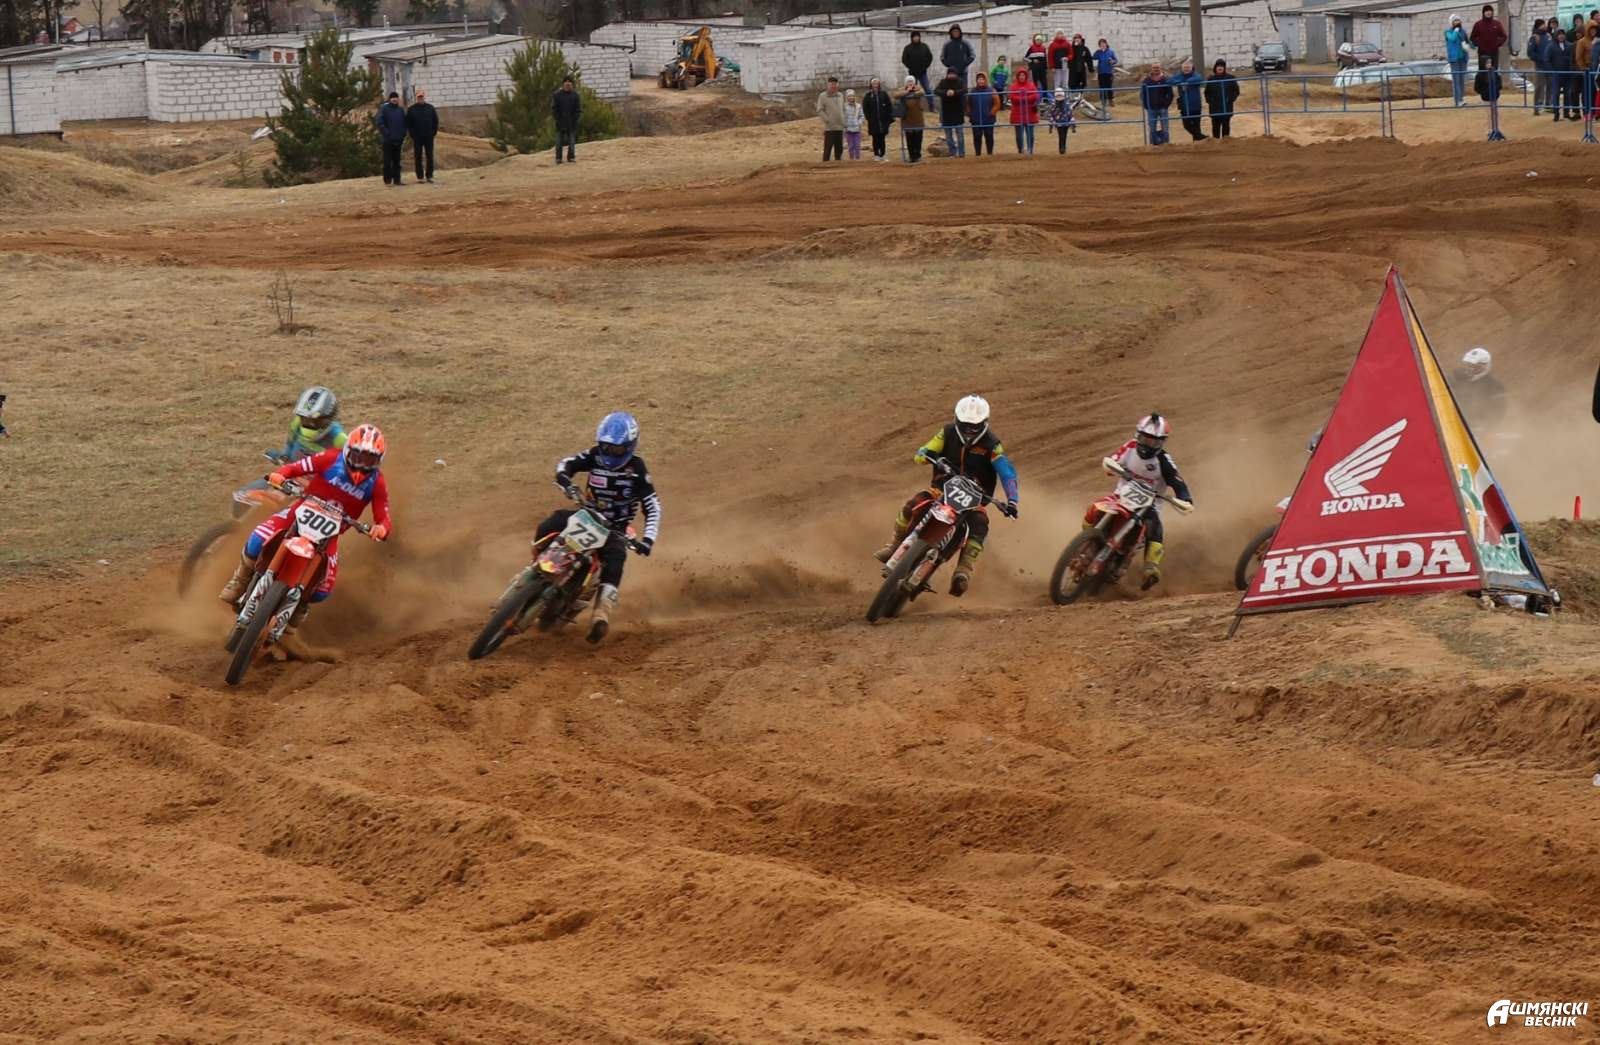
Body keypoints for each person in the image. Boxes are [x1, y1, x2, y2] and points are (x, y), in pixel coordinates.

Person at [217, 424, 392, 632]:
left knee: (323, 589)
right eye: (357, 456)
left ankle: (300, 604)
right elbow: (297, 467)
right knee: (257, 539)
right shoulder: (331, 458)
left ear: (378, 461)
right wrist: (280, 475)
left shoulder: (376, 483)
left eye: (369, 460)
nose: (361, 464)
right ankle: (239, 580)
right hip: (296, 515)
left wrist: (381, 528)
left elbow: (383, 515)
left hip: (329, 536)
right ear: (347, 451)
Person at [874, 395, 1019, 597]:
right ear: (957, 420)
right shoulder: (947, 433)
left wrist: (1012, 501)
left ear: (984, 423)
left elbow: (1007, 473)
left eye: (974, 426)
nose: (969, 430)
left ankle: (963, 571)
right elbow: (923, 452)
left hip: (974, 500)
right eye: (965, 425)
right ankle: (894, 544)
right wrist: (926, 455)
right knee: (913, 504)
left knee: (980, 524)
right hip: (941, 490)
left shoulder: (993, 445)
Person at [539, 412, 661, 643]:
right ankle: (534, 569)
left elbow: (652, 505)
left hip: (616, 529)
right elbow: (567, 464)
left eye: (615, 448)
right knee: (550, 524)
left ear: (629, 446)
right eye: (605, 446)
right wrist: (565, 479)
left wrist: (647, 540)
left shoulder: (637, 469)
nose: (609, 452)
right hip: (587, 515)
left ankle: (600, 615)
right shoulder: (594, 455)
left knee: (616, 559)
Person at [1093, 414, 1193, 590]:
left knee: (1155, 528)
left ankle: (1150, 568)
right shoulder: (1130, 447)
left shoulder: (1164, 461)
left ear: (1162, 443)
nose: (1148, 444)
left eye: (1154, 442)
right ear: (1137, 435)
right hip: (1121, 496)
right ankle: (1086, 540)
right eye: (1145, 439)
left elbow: (1178, 482)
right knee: (1095, 508)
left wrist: (1185, 498)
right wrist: (1112, 465)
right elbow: (1114, 460)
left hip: (1148, 505)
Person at [1452, 347, 1508, 431]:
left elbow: (1498, 412)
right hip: (1452, 422)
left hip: (1477, 428)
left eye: (1475, 367)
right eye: (1469, 365)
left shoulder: (1494, 386)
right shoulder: (1456, 379)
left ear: (1485, 367)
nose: (1471, 369)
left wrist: (1485, 428)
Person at [405, 89, 438, 184]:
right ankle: (420, 176)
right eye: (419, 97)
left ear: (424, 97)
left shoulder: (430, 108)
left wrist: (433, 132)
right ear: (416, 98)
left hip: (428, 136)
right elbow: (408, 123)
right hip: (417, 137)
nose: (420, 98)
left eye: (422, 97)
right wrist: (412, 134)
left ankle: (429, 176)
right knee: (418, 157)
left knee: (429, 156)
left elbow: (435, 121)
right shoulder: (411, 109)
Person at [376, 92, 407, 186]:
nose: (394, 99)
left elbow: (404, 123)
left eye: (396, 97)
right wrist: (387, 134)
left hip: (398, 139)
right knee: (387, 161)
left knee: (397, 161)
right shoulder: (384, 109)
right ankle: (388, 180)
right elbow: (380, 123)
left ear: (398, 99)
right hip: (388, 140)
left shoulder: (400, 110)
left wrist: (403, 134)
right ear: (390, 99)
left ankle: (397, 180)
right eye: (393, 98)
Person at [1546, 28, 1578, 119]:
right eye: (1559, 34)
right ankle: (1556, 113)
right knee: (1556, 94)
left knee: (1567, 94)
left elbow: (1573, 58)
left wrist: (1572, 70)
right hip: (1556, 75)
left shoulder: (1569, 45)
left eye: (1562, 34)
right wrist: (1552, 71)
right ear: (1556, 36)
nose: (1561, 36)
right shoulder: (1550, 46)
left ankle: (1566, 113)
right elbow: (1547, 60)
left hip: (1568, 74)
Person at [1204, 58, 1240, 138]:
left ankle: (1225, 142)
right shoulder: (1211, 79)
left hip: (1226, 107)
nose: (1220, 68)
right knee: (1215, 127)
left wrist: (1230, 99)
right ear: (1215, 68)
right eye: (1218, 66)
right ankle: (1216, 143)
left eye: (1222, 66)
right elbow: (1207, 92)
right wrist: (1210, 101)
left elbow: (1236, 91)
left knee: (1226, 127)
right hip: (1214, 108)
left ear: (1224, 68)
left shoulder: (1230, 78)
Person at [1172, 58, 1206, 140]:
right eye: (1184, 67)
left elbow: (1199, 78)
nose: (1186, 69)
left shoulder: (1195, 74)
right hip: (1184, 106)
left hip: (1195, 105)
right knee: (1186, 125)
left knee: (1196, 126)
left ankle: (1197, 143)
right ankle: (1202, 137)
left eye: (1188, 67)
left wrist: (1187, 81)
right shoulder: (1179, 75)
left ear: (1192, 67)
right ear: (1181, 68)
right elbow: (1170, 81)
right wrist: (1181, 82)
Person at [862, 77, 895, 162]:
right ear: (871, 85)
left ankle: (883, 154)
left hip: (883, 121)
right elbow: (865, 108)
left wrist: (888, 117)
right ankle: (876, 154)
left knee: (882, 138)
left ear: (879, 84)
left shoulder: (884, 94)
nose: (875, 85)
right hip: (873, 121)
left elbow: (889, 106)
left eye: (876, 83)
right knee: (875, 138)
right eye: (873, 83)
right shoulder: (868, 95)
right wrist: (869, 118)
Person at [1008, 68, 1040, 154]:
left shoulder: (1031, 85)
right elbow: (1012, 98)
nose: (1022, 77)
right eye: (1020, 75)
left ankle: (1030, 149)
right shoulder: (1013, 86)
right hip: (1017, 114)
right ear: (1017, 76)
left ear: (1026, 76)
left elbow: (1035, 96)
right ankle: (1020, 150)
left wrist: (1023, 98)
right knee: (1019, 135)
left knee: (1030, 134)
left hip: (1030, 113)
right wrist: (1025, 98)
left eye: (1023, 75)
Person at [936, 67, 967, 157]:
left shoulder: (960, 81)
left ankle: (961, 153)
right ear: (947, 74)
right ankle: (952, 152)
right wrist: (946, 92)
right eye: (950, 73)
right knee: (948, 136)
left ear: (956, 74)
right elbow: (936, 91)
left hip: (958, 112)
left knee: (960, 135)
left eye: (953, 73)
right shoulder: (943, 82)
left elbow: (965, 90)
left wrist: (954, 92)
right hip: (946, 112)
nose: (951, 75)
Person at [1141, 63, 1174, 145]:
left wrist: (1166, 105)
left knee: (1165, 128)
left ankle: (1166, 144)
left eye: (1157, 67)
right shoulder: (1147, 80)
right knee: (1152, 128)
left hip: (1163, 108)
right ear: (1151, 69)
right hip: (1151, 108)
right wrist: (1146, 105)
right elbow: (1143, 94)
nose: (1156, 69)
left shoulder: (1165, 79)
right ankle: (1153, 144)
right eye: (1154, 67)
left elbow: (1170, 94)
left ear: (1160, 68)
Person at [968, 71, 999, 155]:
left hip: (988, 118)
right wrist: (969, 113)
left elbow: (997, 103)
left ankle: (990, 153)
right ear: (976, 80)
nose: (980, 81)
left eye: (982, 79)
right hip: (976, 119)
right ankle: (978, 154)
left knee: (989, 136)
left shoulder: (992, 90)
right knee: (977, 136)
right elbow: (968, 104)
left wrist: (992, 112)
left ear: (985, 80)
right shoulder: (972, 91)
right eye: (979, 79)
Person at [552, 76, 581, 164]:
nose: (567, 84)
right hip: (560, 122)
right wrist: (557, 119)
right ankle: (558, 158)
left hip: (571, 123)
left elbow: (578, 109)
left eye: (569, 82)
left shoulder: (575, 95)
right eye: (566, 82)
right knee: (558, 142)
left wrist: (575, 119)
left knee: (571, 141)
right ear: (563, 84)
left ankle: (571, 157)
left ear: (572, 84)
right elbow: (554, 109)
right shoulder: (557, 95)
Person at [817, 76, 846, 161]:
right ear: (828, 85)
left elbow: (843, 109)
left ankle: (838, 163)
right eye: (831, 84)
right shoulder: (823, 96)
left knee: (839, 148)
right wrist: (827, 119)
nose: (833, 86)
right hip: (830, 127)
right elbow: (819, 110)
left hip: (840, 126)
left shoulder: (840, 95)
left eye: (835, 84)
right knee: (828, 148)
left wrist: (844, 120)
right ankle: (825, 164)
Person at [898, 77, 926, 163]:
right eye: (908, 82)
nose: (910, 83)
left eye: (911, 81)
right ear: (906, 83)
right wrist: (907, 91)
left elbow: (922, 92)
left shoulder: (918, 88)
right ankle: (911, 156)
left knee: (918, 138)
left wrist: (914, 92)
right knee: (909, 139)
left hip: (918, 118)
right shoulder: (902, 89)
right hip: (907, 119)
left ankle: (918, 155)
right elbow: (896, 95)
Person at [1445, 15, 1471, 105]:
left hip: (1463, 58)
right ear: (1451, 22)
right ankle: (1457, 101)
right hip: (1454, 59)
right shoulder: (1448, 32)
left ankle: (1461, 99)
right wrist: (1456, 31)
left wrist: (1469, 46)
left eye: (1458, 20)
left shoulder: (1463, 31)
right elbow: (1452, 38)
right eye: (1455, 20)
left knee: (1462, 80)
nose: (1457, 22)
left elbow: (1468, 41)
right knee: (1456, 80)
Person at [1470, 3, 1506, 68]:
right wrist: (1479, 44)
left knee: (1493, 70)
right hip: (1482, 53)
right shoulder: (1478, 24)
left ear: (1492, 12)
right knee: (1483, 70)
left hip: (1494, 52)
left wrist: (1497, 44)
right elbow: (1472, 37)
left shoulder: (1497, 24)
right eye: (1486, 11)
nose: (1488, 12)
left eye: (1490, 11)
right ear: (1483, 13)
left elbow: (1504, 36)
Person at [903, 31, 934, 98]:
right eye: (914, 37)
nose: (916, 38)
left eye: (917, 36)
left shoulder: (924, 46)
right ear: (912, 38)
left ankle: (931, 104)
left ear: (919, 37)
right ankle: (915, 103)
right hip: (912, 74)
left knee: (927, 89)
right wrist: (910, 66)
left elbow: (930, 57)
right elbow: (904, 59)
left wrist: (926, 66)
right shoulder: (908, 48)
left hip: (923, 73)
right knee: (913, 91)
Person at [1528, 19, 1549, 114]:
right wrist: (1541, 59)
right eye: (1542, 24)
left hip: (1549, 66)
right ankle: (1537, 106)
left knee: (1550, 87)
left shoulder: (1548, 36)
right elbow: (1530, 52)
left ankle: (1548, 105)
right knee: (1539, 87)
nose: (1545, 26)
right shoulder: (1534, 37)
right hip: (1540, 67)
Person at [1047, 86, 1075, 153]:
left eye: (1060, 95)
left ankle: (1063, 147)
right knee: (1061, 135)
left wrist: (1072, 122)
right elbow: (1050, 114)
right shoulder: (1053, 104)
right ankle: (1061, 148)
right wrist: (1052, 122)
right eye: (1058, 96)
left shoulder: (1067, 104)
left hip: (1066, 122)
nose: (1059, 97)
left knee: (1064, 135)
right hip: (1058, 123)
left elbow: (1070, 113)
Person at [1094, 39, 1119, 106]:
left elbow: (1116, 60)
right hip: (1101, 72)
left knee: (1109, 86)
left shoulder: (1111, 52)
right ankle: (1103, 100)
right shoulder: (1099, 52)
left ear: (1106, 44)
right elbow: (1094, 57)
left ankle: (1111, 100)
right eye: (1100, 44)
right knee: (1102, 87)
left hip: (1109, 72)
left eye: (1103, 43)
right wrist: (1098, 51)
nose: (1102, 45)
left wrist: (1112, 61)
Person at [843, 88, 864, 160]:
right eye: (849, 96)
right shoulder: (844, 106)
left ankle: (857, 157)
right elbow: (842, 117)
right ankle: (851, 158)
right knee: (850, 145)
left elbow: (862, 116)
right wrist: (844, 126)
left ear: (854, 97)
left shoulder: (858, 106)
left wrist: (859, 122)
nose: (851, 97)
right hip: (848, 129)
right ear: (846, 97)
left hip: (857, 129)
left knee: (857, 145)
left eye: (852, 96)